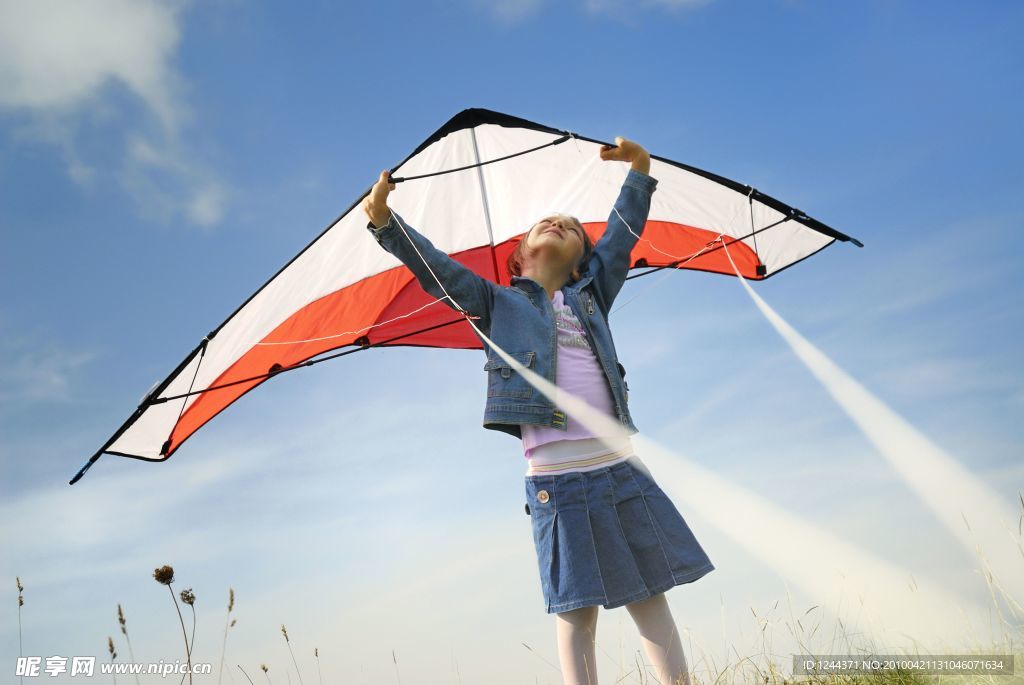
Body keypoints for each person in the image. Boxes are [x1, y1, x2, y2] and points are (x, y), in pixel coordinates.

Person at [362, 136, 714, 685]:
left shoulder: (590, 294)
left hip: (620, 468)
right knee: (577, 609)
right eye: (547, 223)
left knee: (650, 593)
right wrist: (385, 221)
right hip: (557, 480)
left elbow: (621, 236)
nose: (558, 224)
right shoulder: (495, 304)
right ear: (519, 256)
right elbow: (435, 269)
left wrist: (641, 170)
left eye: (571, 227)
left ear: (581, 264)